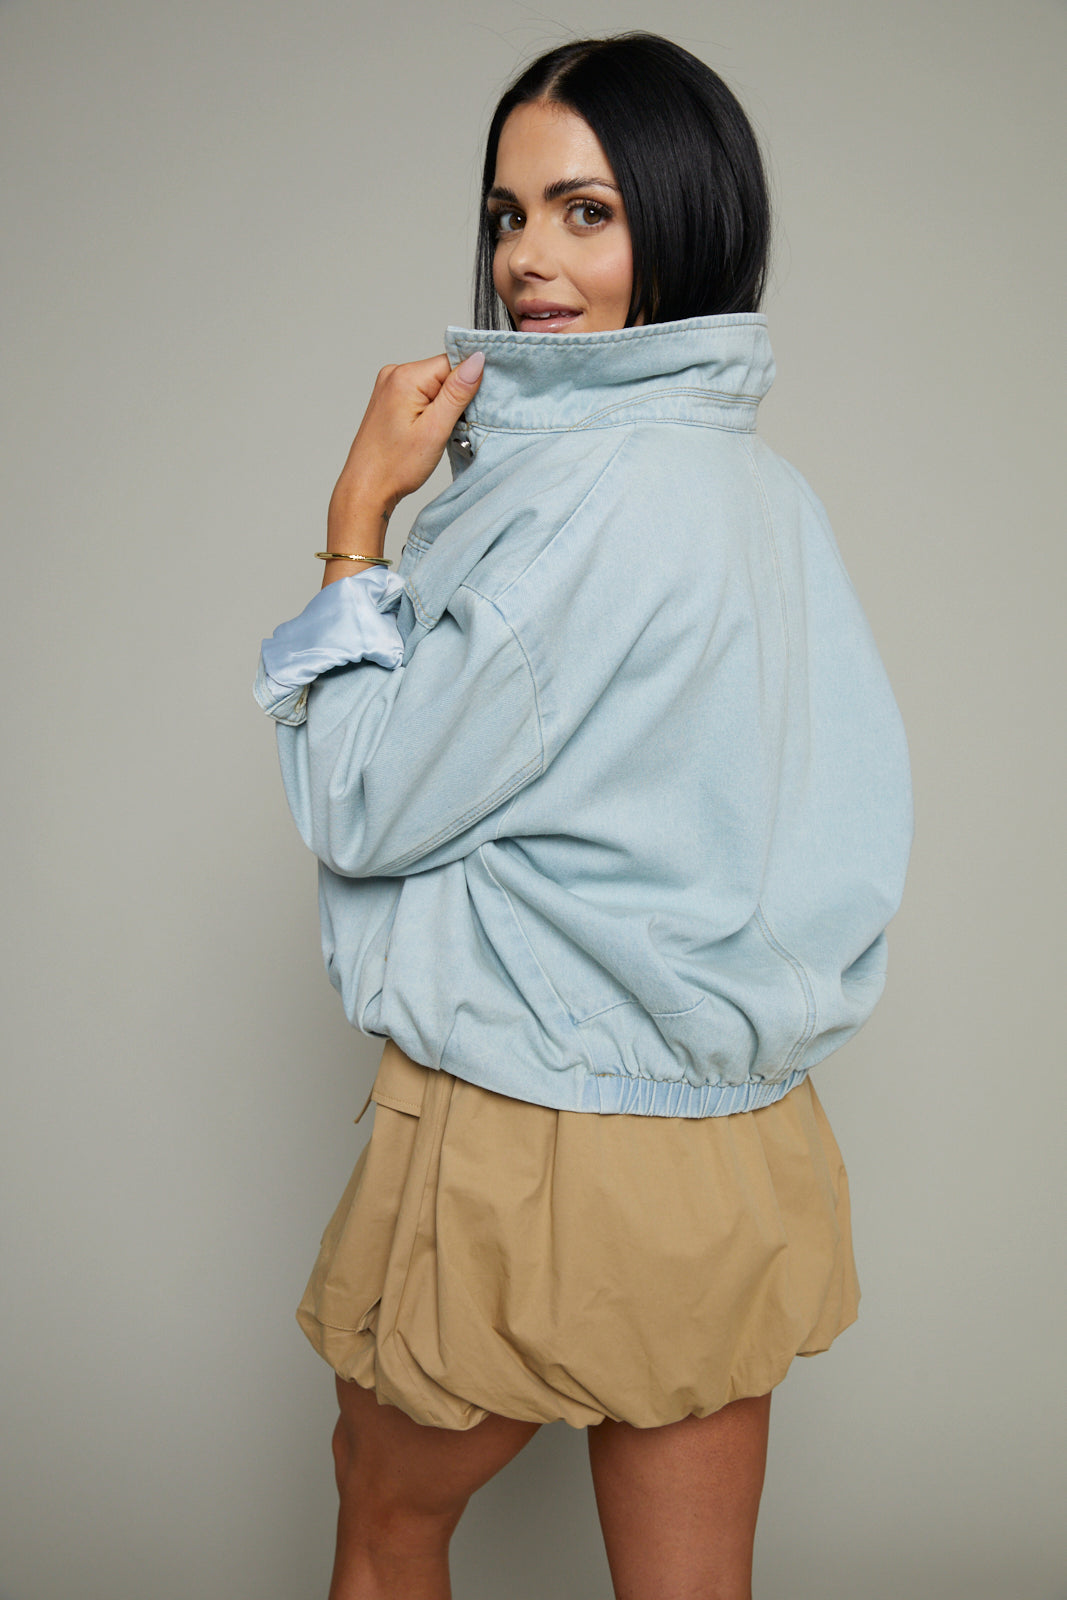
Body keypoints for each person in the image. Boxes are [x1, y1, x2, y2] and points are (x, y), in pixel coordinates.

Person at [255, 31, 912, 1600]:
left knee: (385, 1520)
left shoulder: (584, 506)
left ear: (680, 221)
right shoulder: (768, 497)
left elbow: (361, 800)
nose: (527, 259)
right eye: (508, 214)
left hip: (532, 1119)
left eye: (586, 212)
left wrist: (356, 520)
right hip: (733, 1130)